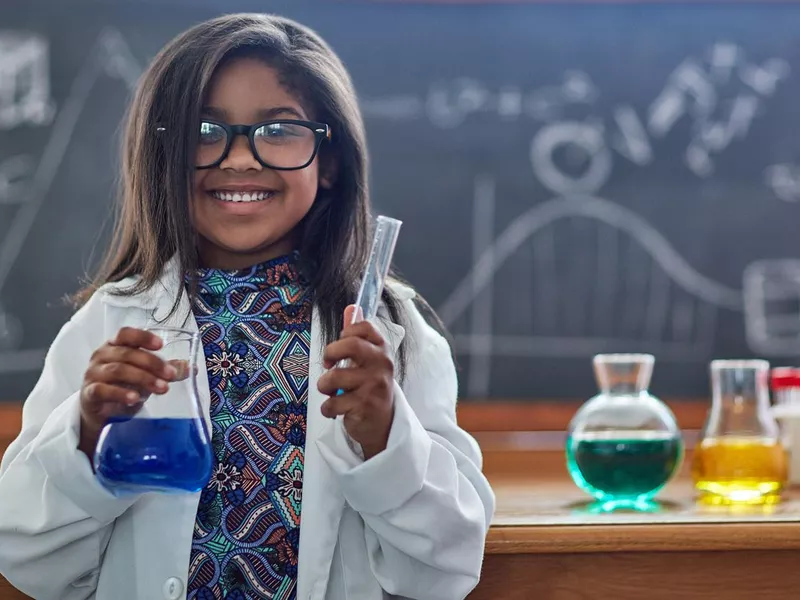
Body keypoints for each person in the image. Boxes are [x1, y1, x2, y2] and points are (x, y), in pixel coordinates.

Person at [0, 12, 494, 600]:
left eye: (279, 130)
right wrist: (84, 437)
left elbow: (446, 570)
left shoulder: (391, 333)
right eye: (205, 130)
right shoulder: (111, 325)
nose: (239, 159)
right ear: (164, 154)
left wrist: (387, 439)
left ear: (329, 161)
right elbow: (25, 558)